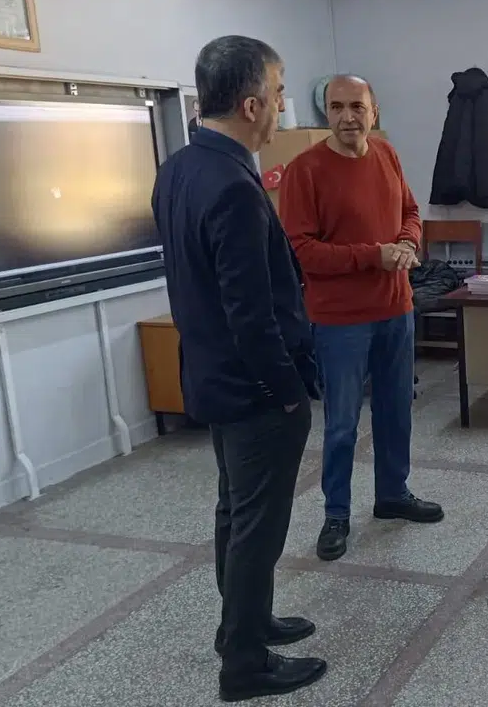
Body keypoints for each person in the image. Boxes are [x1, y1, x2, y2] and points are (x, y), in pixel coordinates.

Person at [151, 36, 325, 701]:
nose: (282, 104)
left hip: (212, 378)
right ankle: (246, 663)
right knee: (258, 523)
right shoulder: (232, 186)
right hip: (254, 391)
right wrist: (288, 393)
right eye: (278, 92)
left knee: (235, 510)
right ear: (252, 105)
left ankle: (245, 624)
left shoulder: (180, 168)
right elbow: (250, 314)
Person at [279, 74, 443, 563]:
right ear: (326, 113)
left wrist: (409, 242)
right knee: (342, 424)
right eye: (336, 107)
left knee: (396, 411)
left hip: (396, 309)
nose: (347, 117)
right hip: (340, 321)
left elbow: (410, 210)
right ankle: (336, 513)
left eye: (357, 106)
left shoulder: (387, 155)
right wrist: (375, 255)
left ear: (375, 112)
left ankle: (392, 493)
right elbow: (303, 251)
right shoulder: (304, 170)